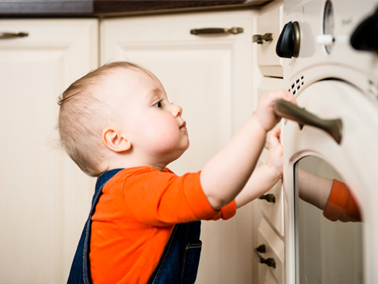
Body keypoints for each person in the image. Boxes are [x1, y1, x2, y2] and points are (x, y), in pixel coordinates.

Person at [58, 61, 294, 284]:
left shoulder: (144, 186)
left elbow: (221, 198)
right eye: (158, 104)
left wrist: (271, 171)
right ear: (118, 139)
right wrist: (258, 123)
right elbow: (213, 191)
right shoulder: (131, 190)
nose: (176, 108)